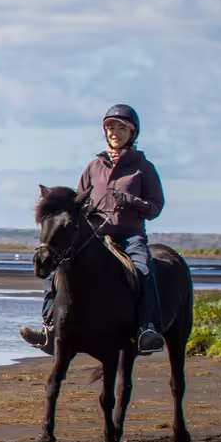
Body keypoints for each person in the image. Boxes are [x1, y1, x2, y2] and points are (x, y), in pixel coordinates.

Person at [19, 104, 167, 356]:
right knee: (55, 272)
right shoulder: (93, 167)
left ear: (132, 133)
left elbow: (156, 207)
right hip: (96, 237)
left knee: (143, 270)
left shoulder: (144, 168)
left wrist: (131, 201)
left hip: (130, 235)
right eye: (110, 128)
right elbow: (77, 203)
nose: (115, 133)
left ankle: (146, 329)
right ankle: (49, 329)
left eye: (122, 128)